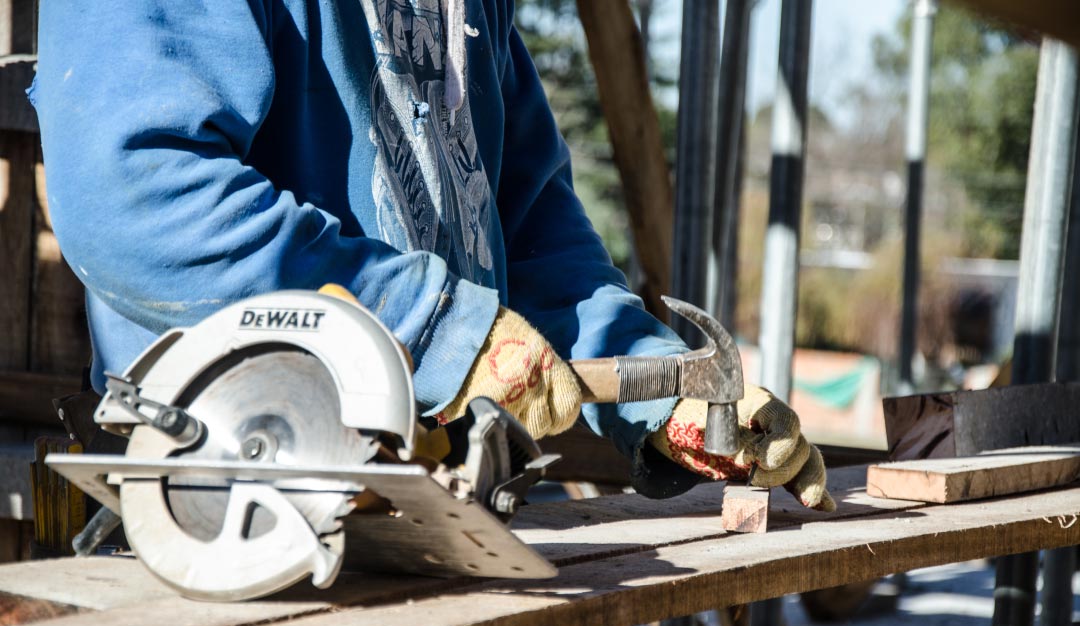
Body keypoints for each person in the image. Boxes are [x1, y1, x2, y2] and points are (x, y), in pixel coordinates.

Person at [30, 0, 833, 511]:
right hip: (239, 513)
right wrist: (430, 328)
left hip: (453, 515)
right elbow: (135, 191)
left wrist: (661, 388)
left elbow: (524, 227)